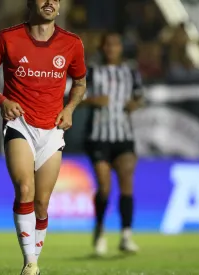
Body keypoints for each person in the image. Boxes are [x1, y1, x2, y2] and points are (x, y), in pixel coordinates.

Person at [0, 0, 87, 274]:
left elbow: (80, 83)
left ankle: (35, 257)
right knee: (24, 188)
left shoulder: (72, 43)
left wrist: (69, 109)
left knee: (42, 204)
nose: (50, 2)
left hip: (53, 130)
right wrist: (1, 100)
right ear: (30, 3)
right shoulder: (8, 38)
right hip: (19, 124)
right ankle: (30, 264)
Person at [81, 32, 144, 256]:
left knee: (127, 180)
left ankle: (126, 235)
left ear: (120, 48)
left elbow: (139, 97)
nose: (111, 48)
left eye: (115, 44)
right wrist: (90, 100)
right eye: (107, 44)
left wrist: (134, 104)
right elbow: (73, 97)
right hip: (98, 137)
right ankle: (99, 229)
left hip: (123, 135)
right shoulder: (91, 72)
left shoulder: (131, 72)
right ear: (102, 47)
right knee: (105, 187)